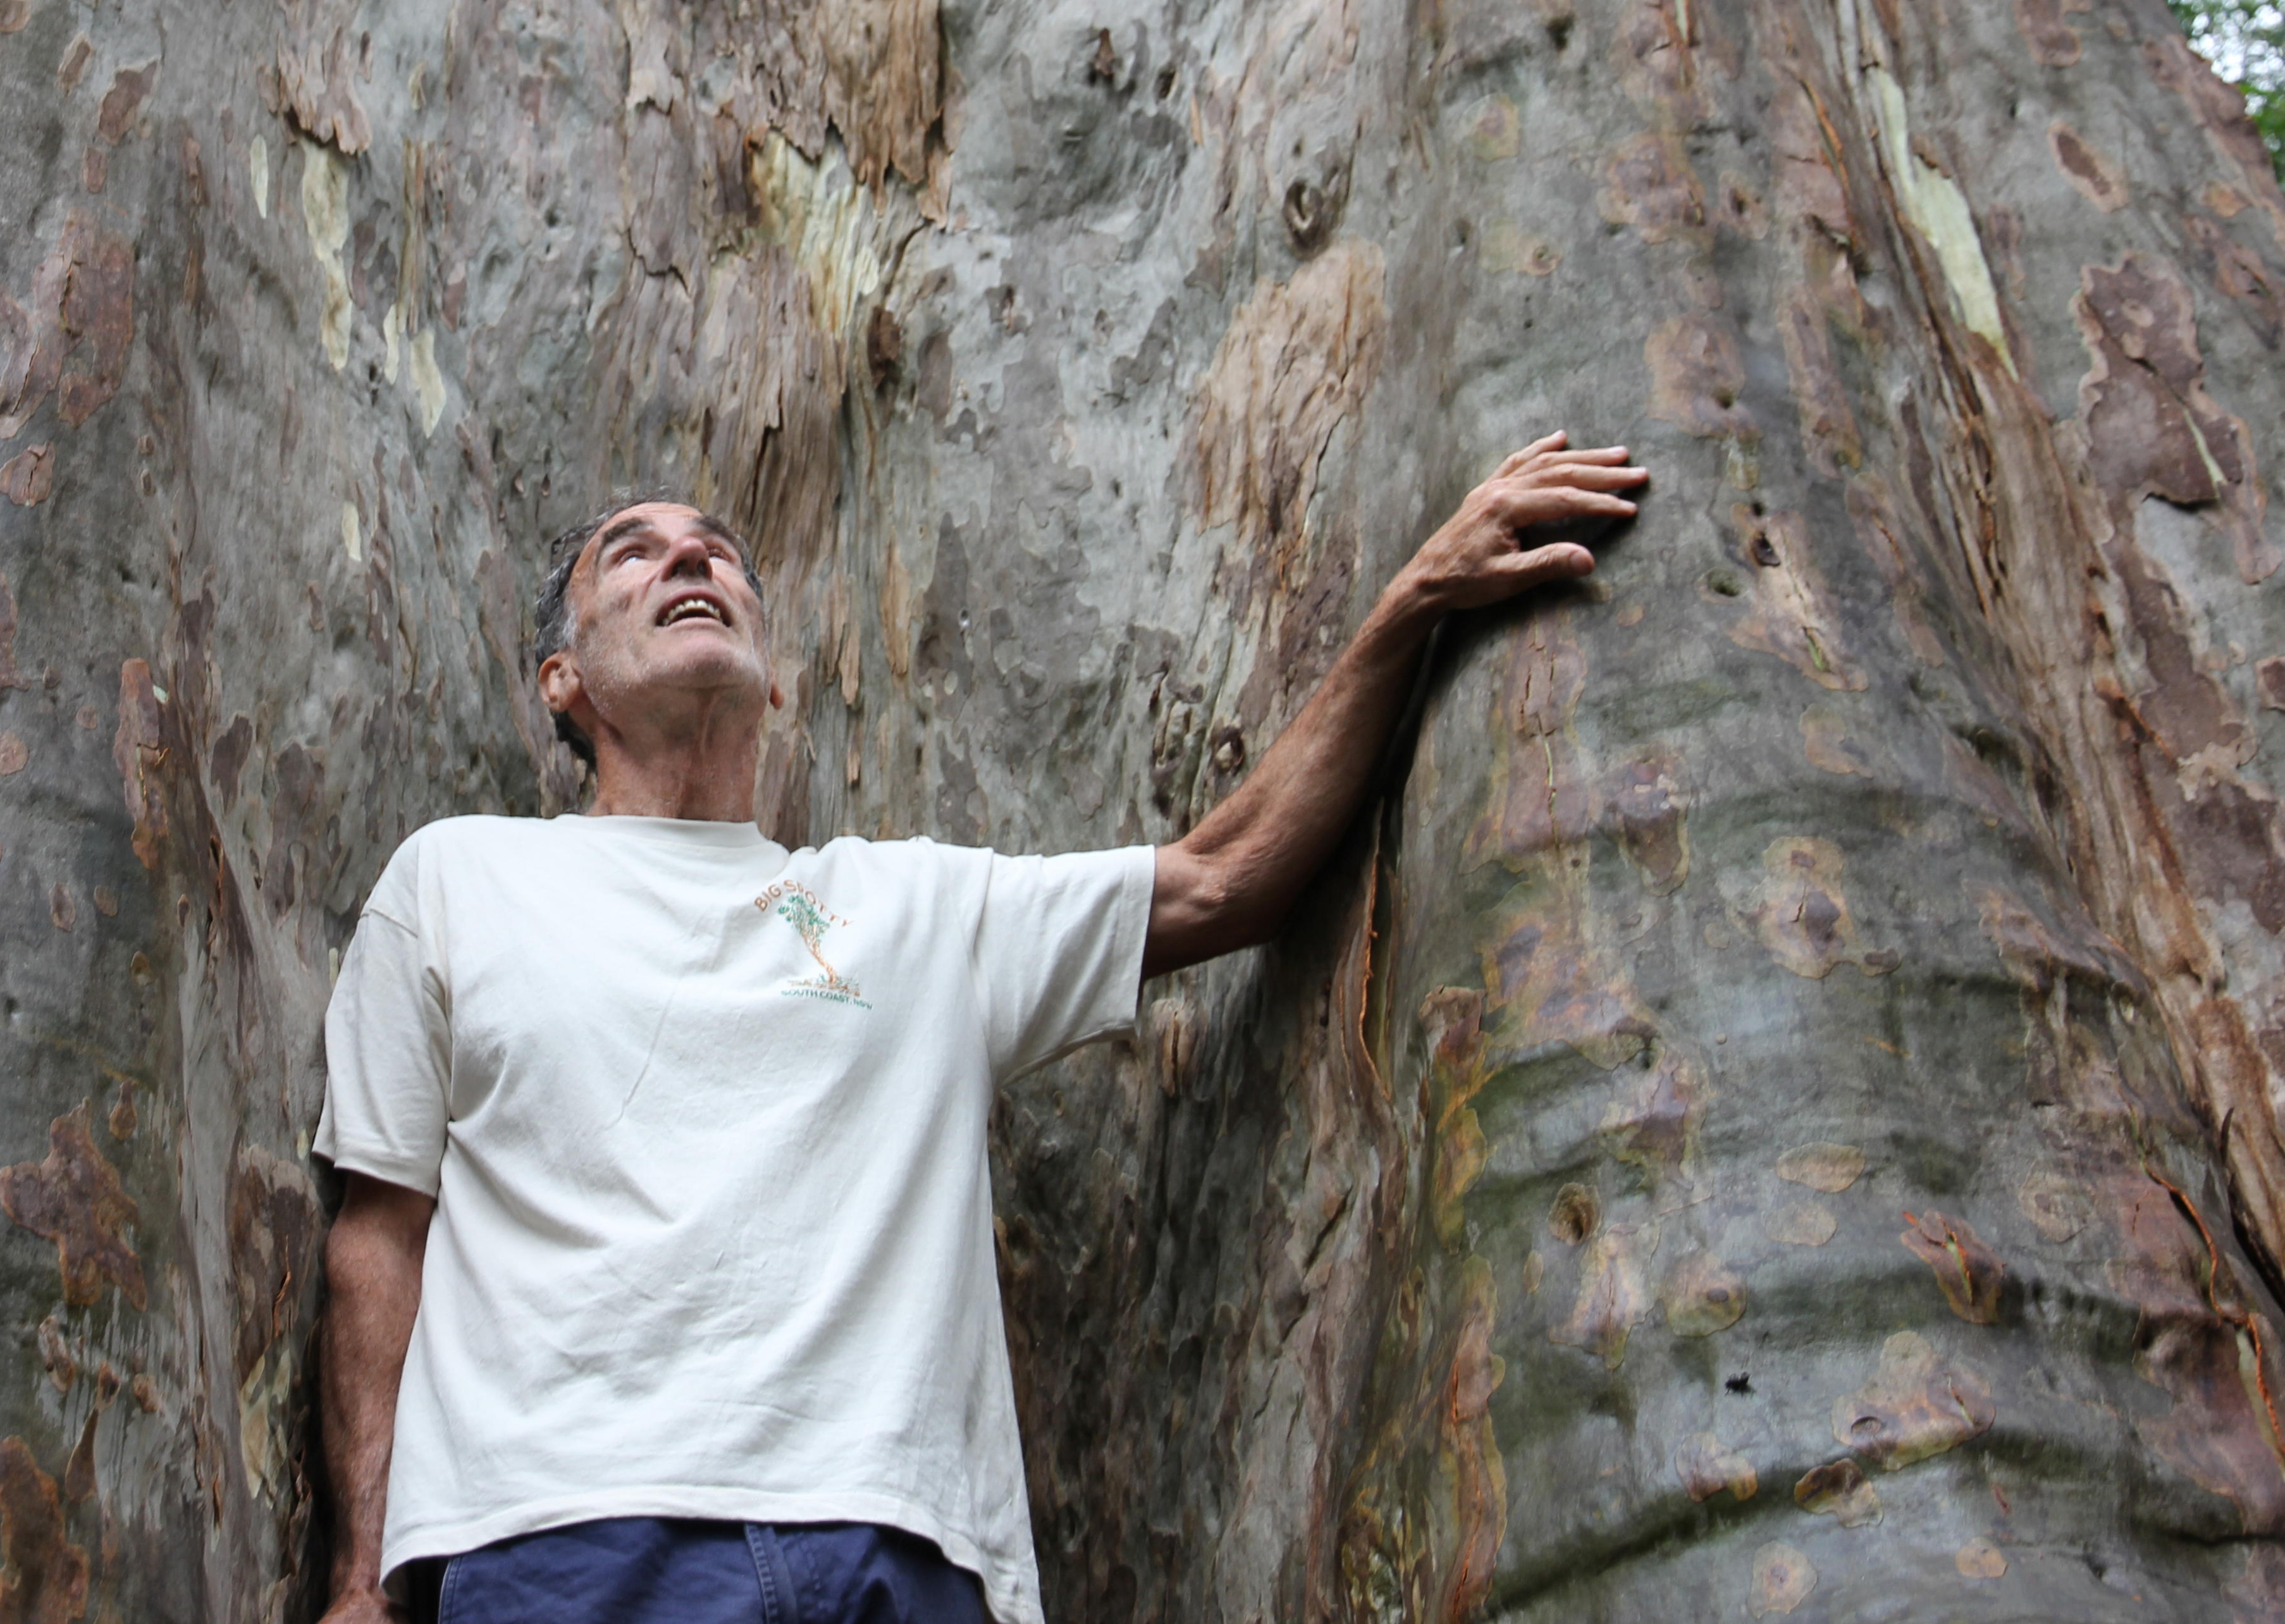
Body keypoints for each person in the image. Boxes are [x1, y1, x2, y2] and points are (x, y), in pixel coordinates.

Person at [313, 433, 1648, 1623]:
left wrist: (1415, 600)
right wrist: (363, 1584)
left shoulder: (910, 907)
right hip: (566, 1533)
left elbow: (1227, 876)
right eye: (635, 551)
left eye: (717, 549)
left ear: (775, 683)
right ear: (561, 677)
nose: (691, 558)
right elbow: (381, 1230)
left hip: (906, 1542)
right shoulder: (459, 878)